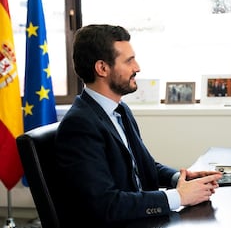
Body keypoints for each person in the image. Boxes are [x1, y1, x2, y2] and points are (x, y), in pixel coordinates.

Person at [54, 24, 222, 228]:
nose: (137, 67)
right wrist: (179, 197)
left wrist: (180, 178)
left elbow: (142, 165)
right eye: (129, 61)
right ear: (102, 68)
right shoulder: (79, 125)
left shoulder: (120, 110)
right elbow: (104, 205)